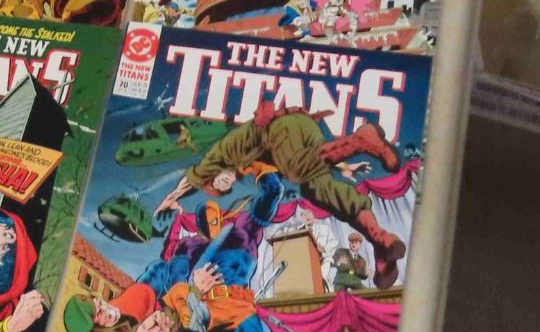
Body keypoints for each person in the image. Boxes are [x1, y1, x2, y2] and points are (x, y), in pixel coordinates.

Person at [153, 104, 407, 284]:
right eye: (223, 187)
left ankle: (360, 140)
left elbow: (191, 180)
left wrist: (169, 199)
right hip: (304, 134)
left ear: (214, 172)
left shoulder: (224, 151)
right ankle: (380, 239)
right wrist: (343, 166)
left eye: (219, 180)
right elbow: (316, 157)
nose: (224, 182)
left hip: (282, 126)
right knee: (322, 190)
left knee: (294, 170)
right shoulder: (253, 166)